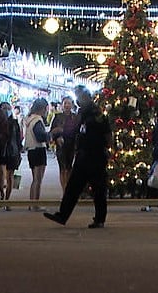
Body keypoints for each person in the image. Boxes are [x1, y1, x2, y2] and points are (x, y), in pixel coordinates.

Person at [44, 85, 110, 229]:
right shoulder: (83, 113)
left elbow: (105, 134)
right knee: (73, 187)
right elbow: (75, 131)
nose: (77, 100)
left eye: (79, 96)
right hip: (84, 155)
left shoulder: (95, 114)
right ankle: (63, 215)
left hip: (95, 156)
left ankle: (99, 219)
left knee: (98, 189)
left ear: (85, 97)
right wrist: (59, 134)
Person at [22, 98, 51, 210]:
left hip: (31, 150)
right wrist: (49, 135)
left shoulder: (29, 119)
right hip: (38, 149)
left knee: (35, 179)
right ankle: (35, 203)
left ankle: (31, 202)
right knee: (38, 179)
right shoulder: (37, 120)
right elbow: (40, 136)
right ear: (42, 108)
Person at [49, 95, 79, 191]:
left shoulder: (75, 117)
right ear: (62, 105)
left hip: (72, 145)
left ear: (72, 105)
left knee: (69, 168)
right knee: (62, 168)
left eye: (69, 103)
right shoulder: (57, 117)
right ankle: (64, 190)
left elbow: (78, 131)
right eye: (65, 103)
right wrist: (56, 138)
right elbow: (52, 132)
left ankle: (69, 189)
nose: (67, 105)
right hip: (61, 145)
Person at [0, 101, 22, 210]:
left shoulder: (14, 123)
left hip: (13, 152)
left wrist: (19, 151)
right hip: (0, 151)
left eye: (8, 108)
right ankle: (2, 195)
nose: (6, 110)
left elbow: (18, 138)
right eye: (3, 108)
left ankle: (7, 199)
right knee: (0, 175)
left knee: (10, 176)